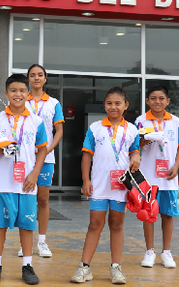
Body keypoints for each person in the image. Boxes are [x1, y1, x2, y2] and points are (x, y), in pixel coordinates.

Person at [71, 87, 140, 285]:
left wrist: (136, 156)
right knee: (95, 224)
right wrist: (86, 180)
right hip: (99, 186)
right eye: (109, 103)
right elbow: (86, 156)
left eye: (118, 103)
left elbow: (135, 152)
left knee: (117, 225)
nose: (113, 107)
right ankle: (84, 267)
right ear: (104, 105)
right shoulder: (95, 128)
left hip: (120, 186)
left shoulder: (132, 130)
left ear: (126, 106)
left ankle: (116, 268)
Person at [0, 74, 48, 285]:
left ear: (28, 94)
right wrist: (0, 148)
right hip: (3, 182)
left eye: (22, 90)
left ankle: (27, 265)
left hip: (28, 183)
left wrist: (34, 174)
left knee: (27, 225)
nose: (17, 94)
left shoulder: (36, 122)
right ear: (6, 94)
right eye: (13, 91)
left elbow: (42, 150)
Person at [134, 84, 179, 269]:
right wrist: (146, 139)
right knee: (148, 214)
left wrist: (176, 166)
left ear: (168, 101)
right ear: (147, 101)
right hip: (148, 177)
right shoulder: (141, 121)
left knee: (167, 215)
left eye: (161, 98)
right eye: (153, 98)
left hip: (168, 177)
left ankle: (166, 252)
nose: (157, 102)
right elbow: (134, 146)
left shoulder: (175, 122)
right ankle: (150, 251)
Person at [16, 64, 64, 258]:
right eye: (32, 75)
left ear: (45, 79)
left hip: (46, 158)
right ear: (28, 79)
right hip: (24, 158)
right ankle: (24, 242)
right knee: (25, 199)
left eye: (40, 75)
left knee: (42, 199)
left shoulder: (53, 103)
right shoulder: (20, 101)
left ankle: (42, 242)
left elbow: (59, 131)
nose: (36, 78)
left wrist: (45, 150)